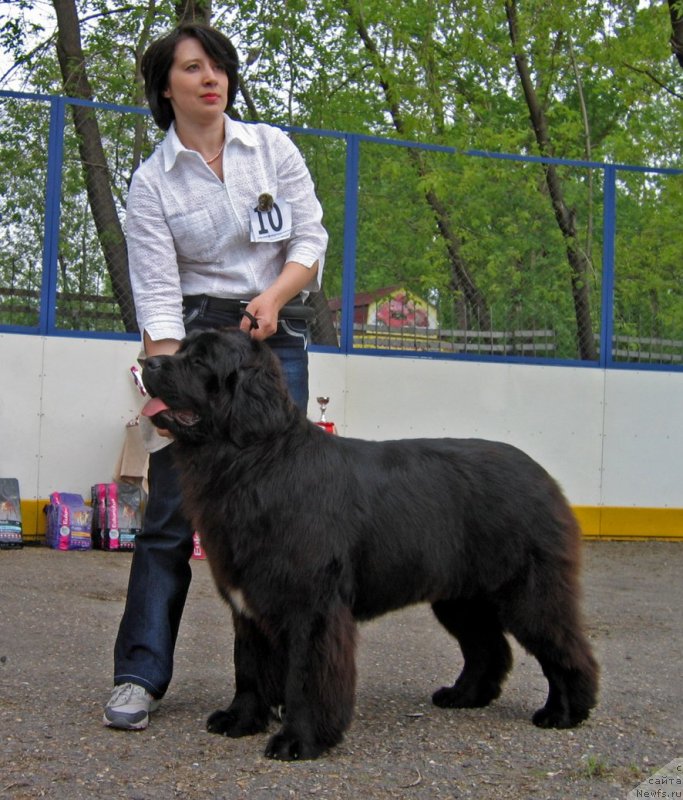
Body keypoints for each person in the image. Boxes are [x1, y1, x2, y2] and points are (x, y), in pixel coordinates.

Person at [104, 21, 328, 730]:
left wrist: (275, 297)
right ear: (164, 87)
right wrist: (169, 384)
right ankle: (139, 674)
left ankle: (274, 683)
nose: (211, 78)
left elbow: (310, 238)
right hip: (198, 342)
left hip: (273, 338)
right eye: (193, 68)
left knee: (281, 517)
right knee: (172, 513)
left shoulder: (272, 148)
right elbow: (157, 294)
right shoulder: (152, 181)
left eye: (219, 67)